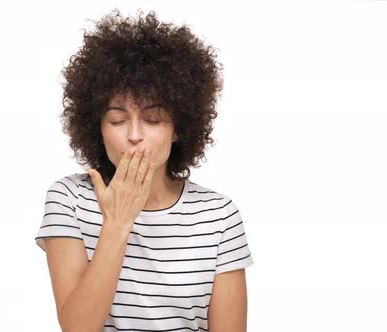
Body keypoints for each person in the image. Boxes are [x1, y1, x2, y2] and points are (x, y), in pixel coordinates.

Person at [34, 8, 254, 331]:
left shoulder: (219, 216)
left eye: (152, 119)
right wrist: (118, 224)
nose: (134, 135)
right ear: (97, 125)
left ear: (178, 128)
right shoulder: (68, 200)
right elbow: (77, 328)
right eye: (117, 119)